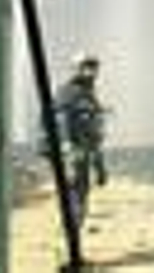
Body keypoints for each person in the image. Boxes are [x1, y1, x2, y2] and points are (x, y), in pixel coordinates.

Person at [50, 54, 109, 221]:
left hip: (84, 146)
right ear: (77, 69)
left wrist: (99, 166)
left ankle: (75, 222)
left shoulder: (88, 93)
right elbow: (61, 118)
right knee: (75, 186)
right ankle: (72, 224)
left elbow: (95, 128)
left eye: (93, 67)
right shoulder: (68, 91)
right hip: (72, 147)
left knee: (81, 187)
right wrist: (67, 146)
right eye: (86, 67)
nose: (91, 72)